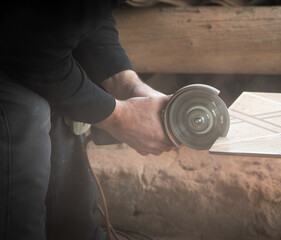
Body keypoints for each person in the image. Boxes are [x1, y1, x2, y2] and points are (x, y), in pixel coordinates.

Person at [0, 1, 173, 239]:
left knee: (66, 102)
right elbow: (32, 53)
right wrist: (118, 117)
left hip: (23, 36)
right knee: (28, 111)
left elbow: (80, 18)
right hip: (12, 45)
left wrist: (128, 84)